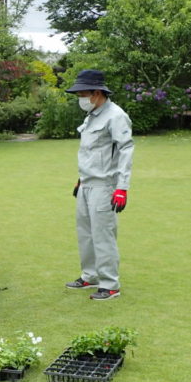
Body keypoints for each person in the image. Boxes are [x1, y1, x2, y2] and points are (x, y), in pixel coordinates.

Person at [65, 69, 134, 301]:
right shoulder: (93, 115)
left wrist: (122, 187)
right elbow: (89, 151)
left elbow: (125, 149)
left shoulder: (116, 116)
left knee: (103, 234)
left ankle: (110, 284)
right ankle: (90, 275)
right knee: (85, 233)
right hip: (86, 183)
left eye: (83, 94)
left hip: (105, 186)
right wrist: (80, 179)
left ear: (96, 93)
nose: (80, 99)